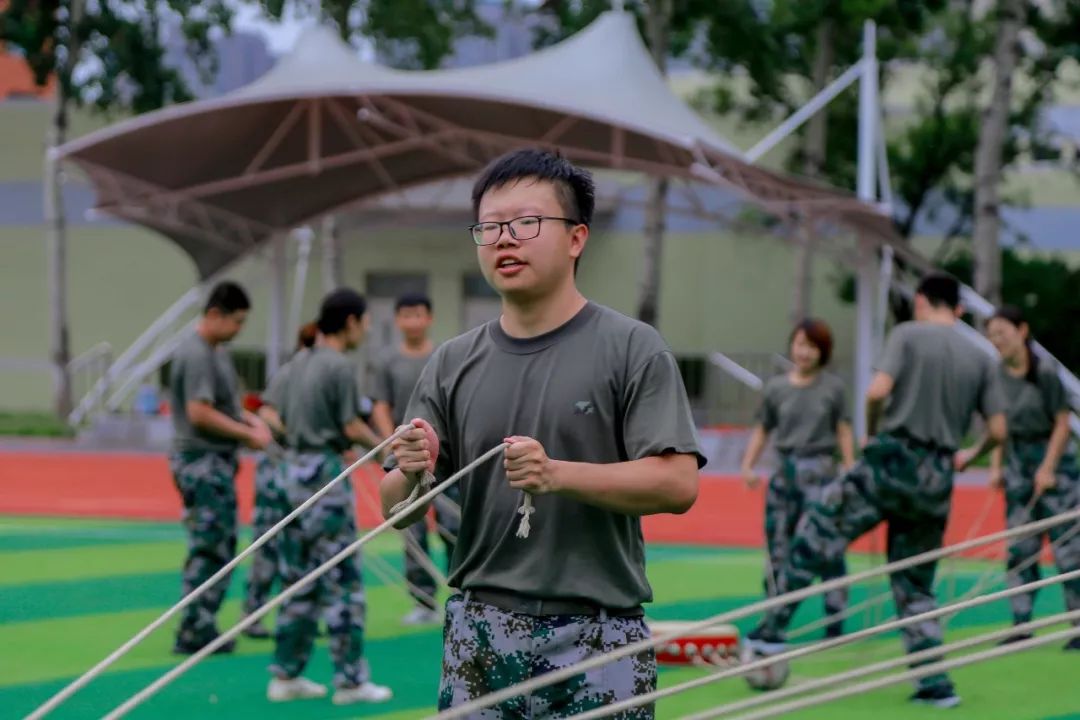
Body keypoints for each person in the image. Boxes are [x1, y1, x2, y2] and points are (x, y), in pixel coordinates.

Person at [379, 148, 704, 717]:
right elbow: (398, 511)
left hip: (598, 639)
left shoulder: (632, 348)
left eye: (526, 223)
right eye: (489, 227)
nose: (505, 239)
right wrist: (410, 470)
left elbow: (677, 484)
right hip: (479, 634)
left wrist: (556, 475)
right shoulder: (452, 362)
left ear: (577, 237)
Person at [747, 272, 1007, 709]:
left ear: (921, 302)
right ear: (959, 309)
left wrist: (874, 431)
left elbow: (878, 390)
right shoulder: (980, 357)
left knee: (818, 527)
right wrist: (970, 455)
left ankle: (773, 631)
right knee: (916, 583)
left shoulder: (907, 334)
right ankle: (935, 685)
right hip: (938, 475)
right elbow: (999, 429)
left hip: (892, 459)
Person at [267, 288, 392, 705]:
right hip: (323, 477)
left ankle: (286, 674)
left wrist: (301, 434)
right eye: (365, 321)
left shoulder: (296, 363)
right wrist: (385, 453)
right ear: (351, 322)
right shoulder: (339, 366)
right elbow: (352, 425)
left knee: (298, 579)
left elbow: (270, 414)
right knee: (342, 581)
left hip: (291, 474)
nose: (367, 330)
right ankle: (352, 682)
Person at [957, 305, 1080, 650]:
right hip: (1017, 465)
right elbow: (1000, 429)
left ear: (1022, 331)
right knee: (1020, 548)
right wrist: (992, 465)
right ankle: (1021, 624)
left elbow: (1061, 422)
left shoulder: (1045, 372)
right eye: (992, 334)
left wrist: (1048, 467)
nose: (997, 340)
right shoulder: (995, 376)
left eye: (1003, 332)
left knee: (1069, 551)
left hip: (1056, 468)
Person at [168, 281, 272, 654]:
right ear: (215, 315)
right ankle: (194, 627)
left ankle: (200, 622)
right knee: (210, 546)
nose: (238, 330)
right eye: (236, 321)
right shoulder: (197, 354)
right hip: (201, 461)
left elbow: (224, 406)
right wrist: (246, 435)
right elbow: (200, 413)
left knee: (219, 544)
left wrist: (251, 422)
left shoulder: (214, 351)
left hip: (213, 461)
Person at [740, 319, 855, 638]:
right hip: (784, 474)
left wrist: (850, 469)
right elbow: (763, 428)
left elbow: (843, 429)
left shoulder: (833, 388)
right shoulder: (776, 388)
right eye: (801, 344)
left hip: (821, 474)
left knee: (826, 545)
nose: (805, 352)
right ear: (792, 345)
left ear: (823, 352)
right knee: (777, 546)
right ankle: (774, 618)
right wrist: (747, 465)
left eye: (813, 347)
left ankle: (835, 619)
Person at [370, 292, 456, 626]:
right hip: (407, 460)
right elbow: (380, 404)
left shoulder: (444, 356)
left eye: (418, 315)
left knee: (454, 528)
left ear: (429, 318)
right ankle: (422, 601)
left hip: (447, 460)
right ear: (397, 320)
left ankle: (460, 592)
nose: (412, 322)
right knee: (413, 529)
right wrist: (390, 441)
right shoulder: (387, 362)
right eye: (406, 316)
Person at [242, 321, 319, 639]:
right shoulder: (290, 373)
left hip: (305, 470)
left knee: (305, 544)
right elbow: (267, 414)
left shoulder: (318, 376)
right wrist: (294, 435)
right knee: (268, 543)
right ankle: (253, 614)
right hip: (277, 469)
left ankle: (301, 615)